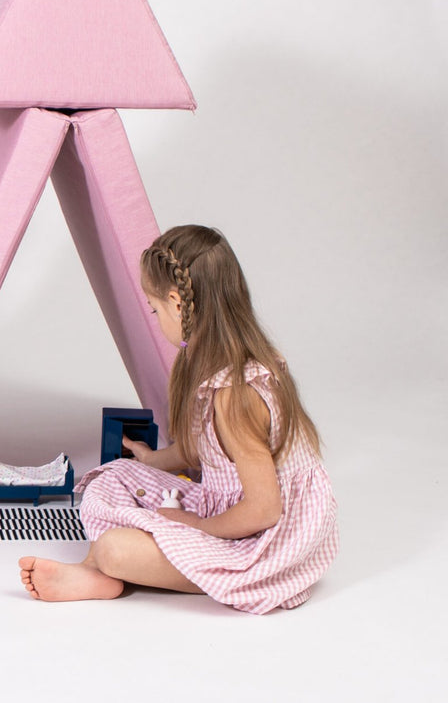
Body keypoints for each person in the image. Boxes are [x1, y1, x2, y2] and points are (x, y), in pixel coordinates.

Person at [19, 225, 338, 614]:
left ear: (176, 302)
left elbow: (265, 510)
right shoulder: (210, 358)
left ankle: (100, 569)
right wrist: (151, 461)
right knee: (112, 476)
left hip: (261, 545)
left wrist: (194, 525)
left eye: (154, 309)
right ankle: (100, 569)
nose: (155, 317)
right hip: (228, 509)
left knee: (114, 549)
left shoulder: (236, 394)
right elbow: (201, 450)